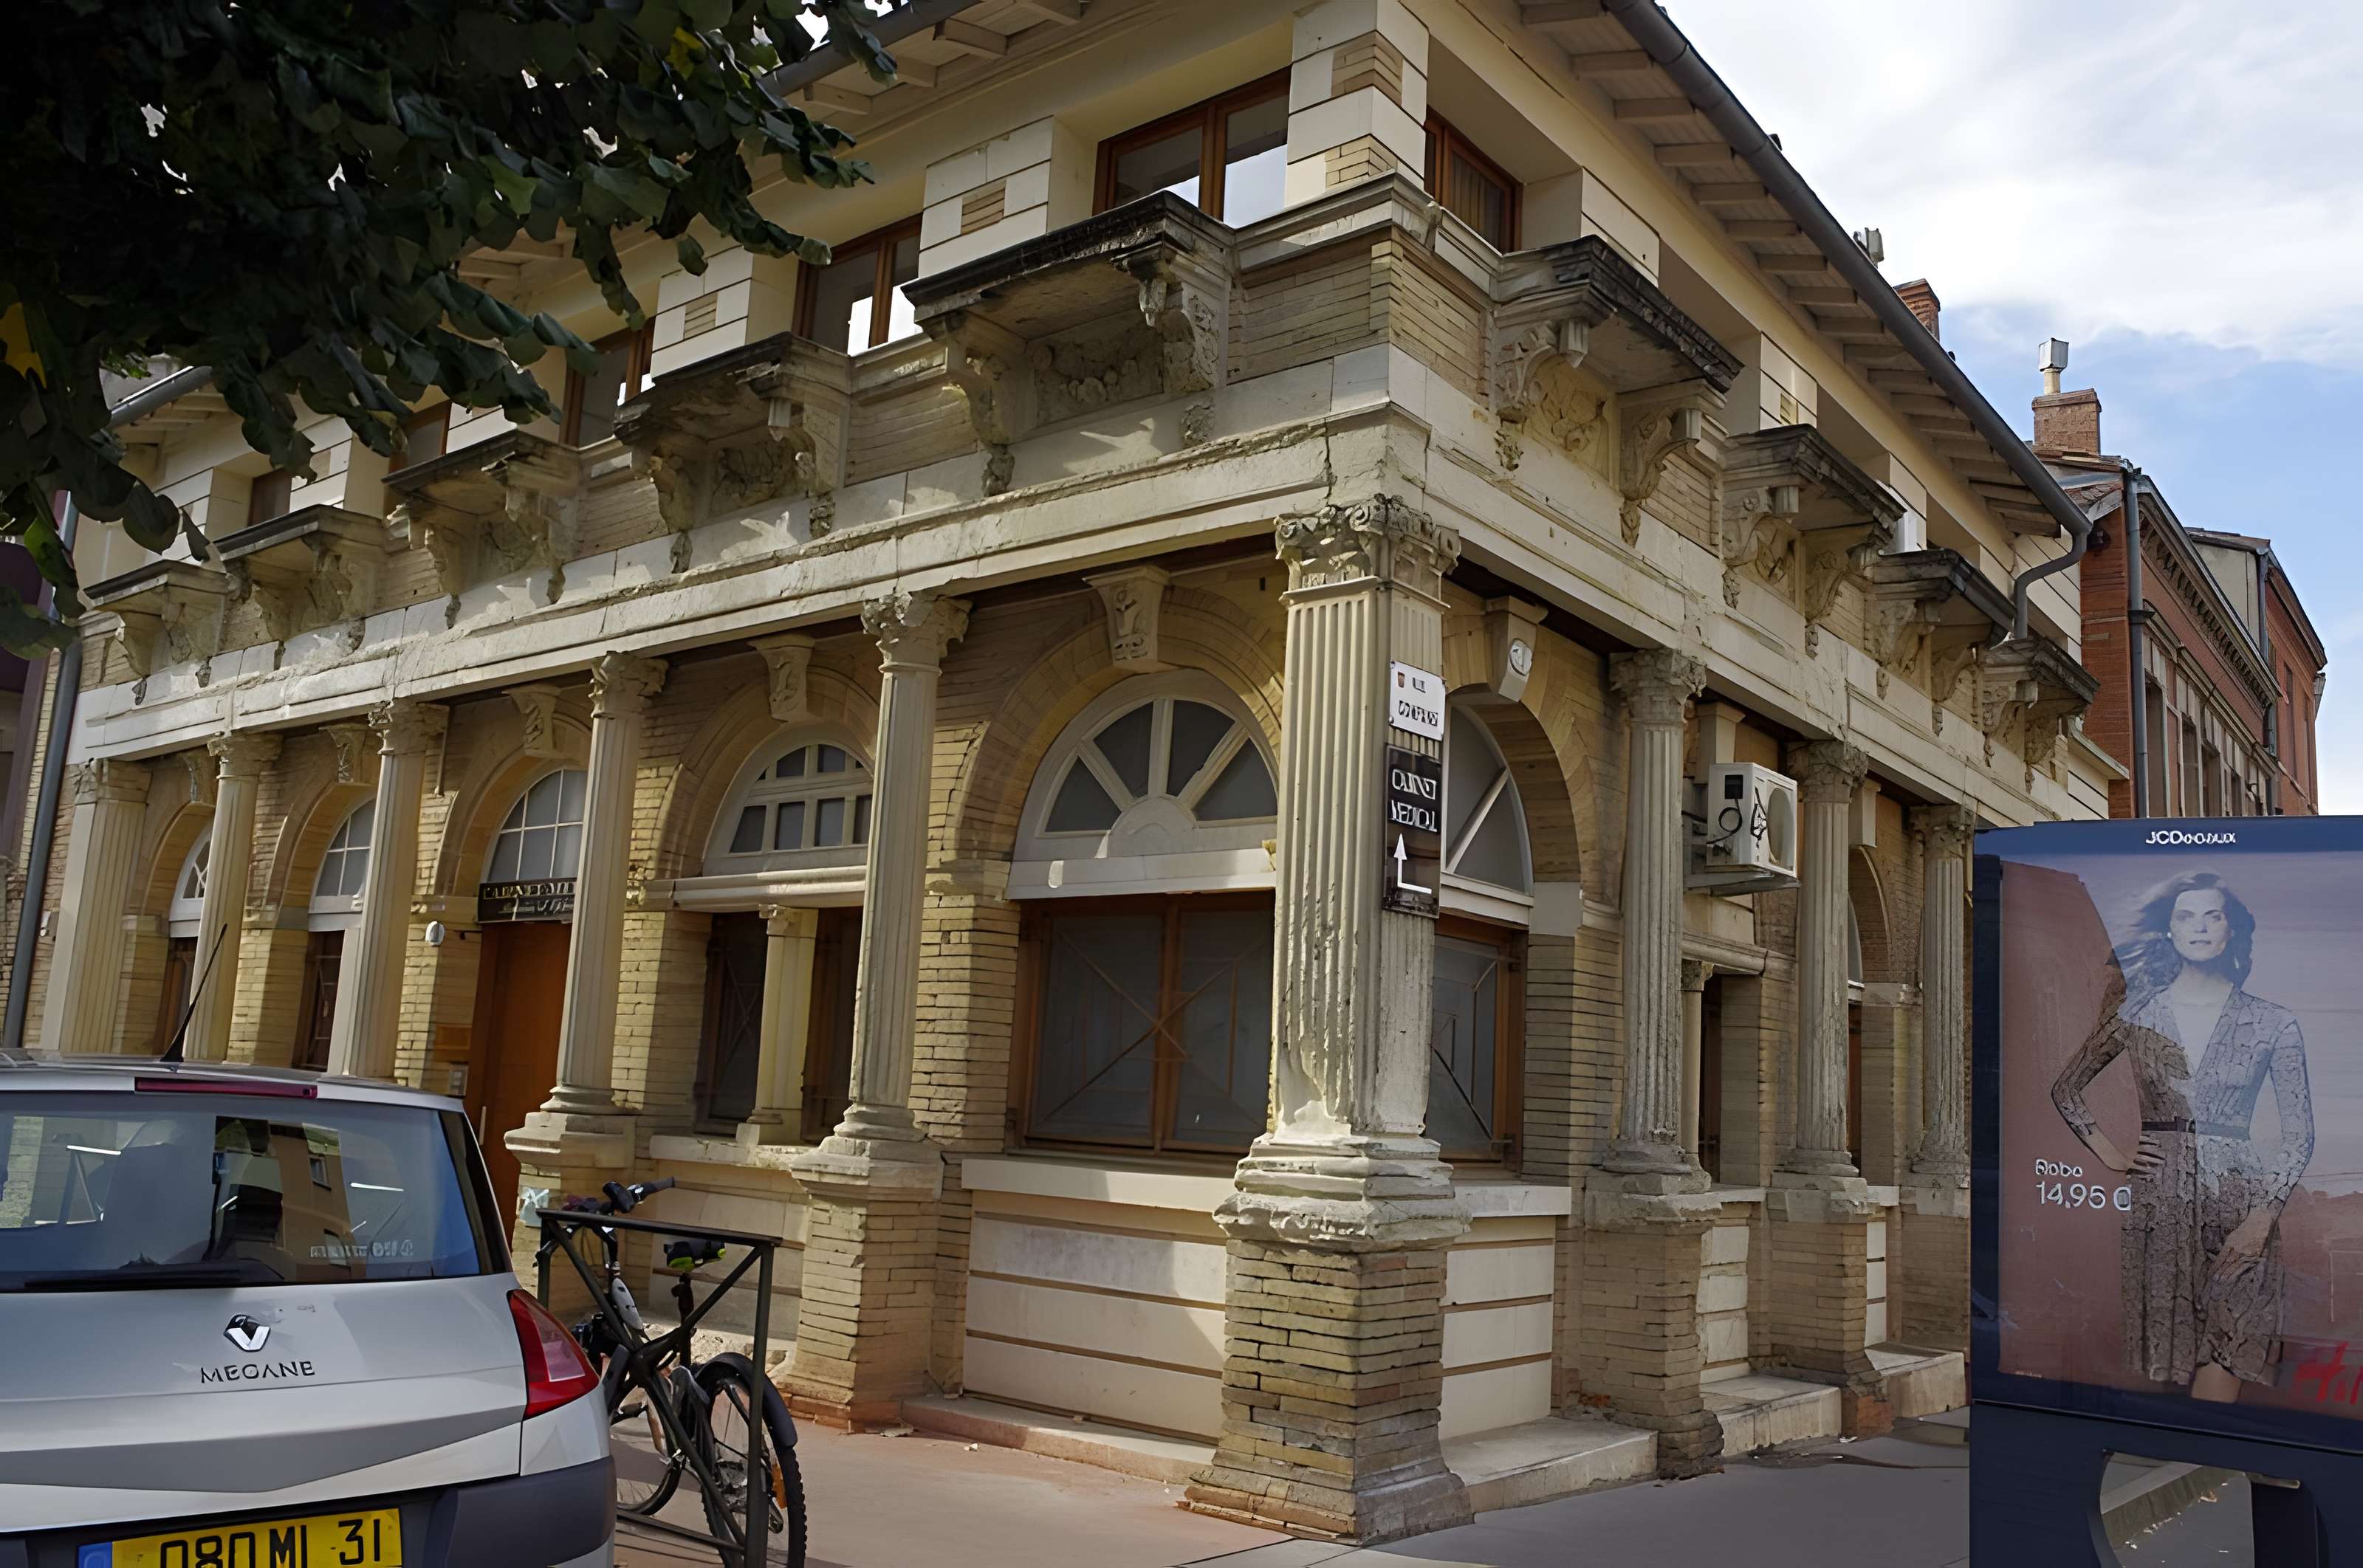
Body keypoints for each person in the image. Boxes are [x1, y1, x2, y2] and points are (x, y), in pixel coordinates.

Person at [2050, 870, 2314, 1403]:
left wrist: (2263, 1217)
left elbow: (2300, 1134)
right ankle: (2198, 1469)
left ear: (2230, 930)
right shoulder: (2138, 1014)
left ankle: (2204, 1467)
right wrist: (2113, 1153)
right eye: (2185, 916)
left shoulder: (2273, 1022)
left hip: (2241, 1201)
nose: (2199, 927)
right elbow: (2067, 1089)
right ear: (2169, 930)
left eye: (2212, 915)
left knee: (2231, 1339)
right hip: (2162, 1200)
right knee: (2178, 1347)